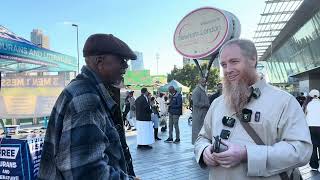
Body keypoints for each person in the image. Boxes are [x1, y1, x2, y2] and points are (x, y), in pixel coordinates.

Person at [194, 39, 312, 180]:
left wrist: (247, 154)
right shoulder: (217, 103)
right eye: (223, 65)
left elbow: (301, 150)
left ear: (253, 60)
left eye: (234, 61)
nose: (228, 70)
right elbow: (202, 138)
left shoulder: (284, 101)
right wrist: (204, 151)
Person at [38, 34, 138, 179]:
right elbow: (87, 172)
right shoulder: (87, 99)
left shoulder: (85, 89)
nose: (126, 66)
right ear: (99, 61)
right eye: (121, 60)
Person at [304, 89, 320, 171]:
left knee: (313, 147)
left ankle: (314, 165)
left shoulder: (307, 104)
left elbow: (304, 116)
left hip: (310, 128)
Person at [191, 78, 210, 144]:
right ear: (199, 82)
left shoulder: (202, 90)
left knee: (202, 131)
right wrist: (206, 105)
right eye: (203, 82)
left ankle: (201, 144)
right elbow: (196, 103)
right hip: (198, 115)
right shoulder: (197, 91)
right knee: (198, 131)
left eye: (205, 82)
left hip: (203, 114)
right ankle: (197, 145)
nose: (204, 83)